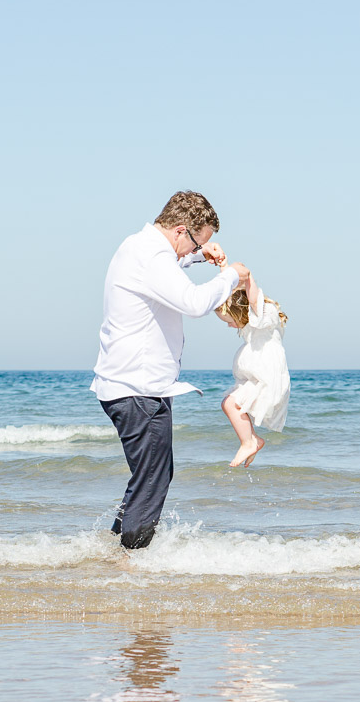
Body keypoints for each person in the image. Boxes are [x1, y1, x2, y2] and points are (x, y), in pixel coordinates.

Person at [91, 190, 249, 549]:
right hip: (139, 388)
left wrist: (196, 256)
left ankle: (114, 546)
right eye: (197, 240)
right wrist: (232, 277)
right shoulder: (152, 256)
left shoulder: (139, 246)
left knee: (149, 476)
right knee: (153, 479)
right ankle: (130, 559)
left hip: (132, 385)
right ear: (180, 230)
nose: (195, 249)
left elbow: (168, 270)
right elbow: (193, 303)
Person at [217, 274, 290, 467]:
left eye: (230, 319)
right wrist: (227, 274)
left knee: (231, 404)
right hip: (256, 377)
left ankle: (249, 442)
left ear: (242, 312)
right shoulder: (253, 325)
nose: (228, 325)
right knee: (230, 404)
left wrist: (248, 279)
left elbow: (254, 299)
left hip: (266, 377)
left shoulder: (263, 317)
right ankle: (252, 440)